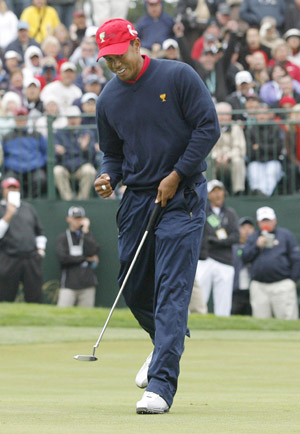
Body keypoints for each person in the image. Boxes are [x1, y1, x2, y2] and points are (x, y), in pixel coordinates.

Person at [93, 18, 220, 414]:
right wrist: (108, 175)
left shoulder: (177, 75)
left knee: (172, 288)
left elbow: (208, 127)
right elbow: (113, 153)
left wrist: (178, 173)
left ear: (135, 44)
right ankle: (166, 338)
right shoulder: (107, 99)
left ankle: (161, 386)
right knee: (132, 285)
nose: (114, 64)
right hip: (138, 199)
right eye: (106, 59)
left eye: (118, 55)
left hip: (182, 196)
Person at [189, 180, 239, 317]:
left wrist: (216, 241)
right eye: (214, 191)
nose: (217, 194)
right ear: (208, 195)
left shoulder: (230, 213)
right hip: (205, 259)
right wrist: (215, 240)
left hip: (225, 260)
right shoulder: (202, 211)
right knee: (199, 297)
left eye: (220, 191)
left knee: (224, 302)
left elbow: (235, 236)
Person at [242, 206, 300, 320]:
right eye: (263, 221)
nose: (266, 223)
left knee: (287, 321)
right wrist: (257, 246)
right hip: (259, 286)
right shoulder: (253, 238)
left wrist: (293, 281)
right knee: (260, 322)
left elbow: (296, 259)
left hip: (282, 285)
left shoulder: (286, 235)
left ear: (274, 220)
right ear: (258, 223)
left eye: (268, 220)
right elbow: (244, 258)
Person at [0, 176, 47, 302]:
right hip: (8, 258)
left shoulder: (28, 208)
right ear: (3, 190)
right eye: (9, 188)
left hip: (31, 258)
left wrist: (40, 249)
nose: (12, 191)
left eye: (14, 188)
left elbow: (39, 232)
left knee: (35, 297)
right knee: (5, 297)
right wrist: (8, 215)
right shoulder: (1, 209)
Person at [56, 206, 99, 307]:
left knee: (86, 318)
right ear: (69, 219)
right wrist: (85, 258)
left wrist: (86, 231)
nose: (78, 221)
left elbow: (94, 251)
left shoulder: (87, 235)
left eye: (80, 218)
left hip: (87, 284)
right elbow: (63, 259)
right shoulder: (63, 237)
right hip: (69, 285)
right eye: (75, 218)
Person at [54, 105, 98, 200]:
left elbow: (93, 156)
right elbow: (54, 154)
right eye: (70, 118)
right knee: (57, 171)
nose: (72, 120)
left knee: (89, 171)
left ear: (80, 118)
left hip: (81, 166)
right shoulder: (59, 133)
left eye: (75, 118)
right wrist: (58, 153)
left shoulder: (87, 132)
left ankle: (81, 200)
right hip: (65, 166)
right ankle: (68, 200)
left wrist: (85, 148)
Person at [2, 106, 47, 198]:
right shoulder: (7, 137)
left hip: (34, 168)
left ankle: (33, 202)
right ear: (15, 119)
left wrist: (39, 163)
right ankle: (16, 204)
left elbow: (45, 152)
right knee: (9, 181)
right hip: (13, 170)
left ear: (27, 119)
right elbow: (3, 155)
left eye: (23, 117)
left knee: (40, 178)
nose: (21, 120)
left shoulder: (36, 135)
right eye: (18, 117)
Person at [212, 102, 246, 194]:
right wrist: (216, 157)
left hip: (230, 160)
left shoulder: (236, 127)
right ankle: (210, 190)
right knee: (207, 163)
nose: (223, 117)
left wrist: (228, 156)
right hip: (216, 161)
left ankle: (238, 192)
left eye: (226, 114)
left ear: (230, 116)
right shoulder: (210, 127)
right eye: (221, 114)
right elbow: (208, 148)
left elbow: (239, 148)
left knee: (238, 161)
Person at [231, 216, 255, 316]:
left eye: (249, 227)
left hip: (253, 290)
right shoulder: (232, 246)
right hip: (235, 290)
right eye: (243, 227)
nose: (247, 231)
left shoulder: (258, 246)